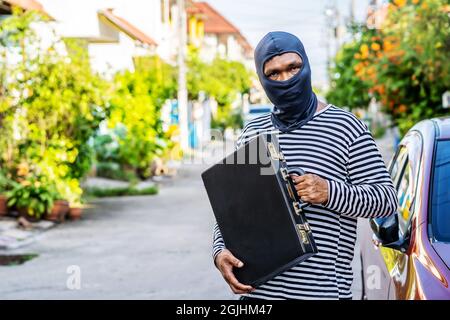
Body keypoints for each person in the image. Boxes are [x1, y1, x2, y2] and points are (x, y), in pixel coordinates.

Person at [212, 31, 398, 300]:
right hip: (257, 295)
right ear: (262, 79)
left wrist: (329, 192)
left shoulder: (346, 127)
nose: (286, 79)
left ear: (306, 65)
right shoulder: (253, 132)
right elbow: (232, 210)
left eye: (293, 68)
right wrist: (220, 251)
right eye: (274, 73)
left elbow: (385, 200)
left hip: (322, 295)